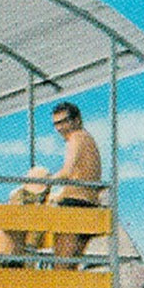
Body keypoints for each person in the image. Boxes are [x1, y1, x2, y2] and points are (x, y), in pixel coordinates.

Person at [48, 101, 102, 259]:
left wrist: (45, 181)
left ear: (77, 120)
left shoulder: (77, 137)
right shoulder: (88, 139)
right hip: (90, 204)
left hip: (75, 204)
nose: (60, 128)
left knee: (62, 264)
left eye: (64, 122)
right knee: (71, 264)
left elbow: (67, 172)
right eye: (56, 124)